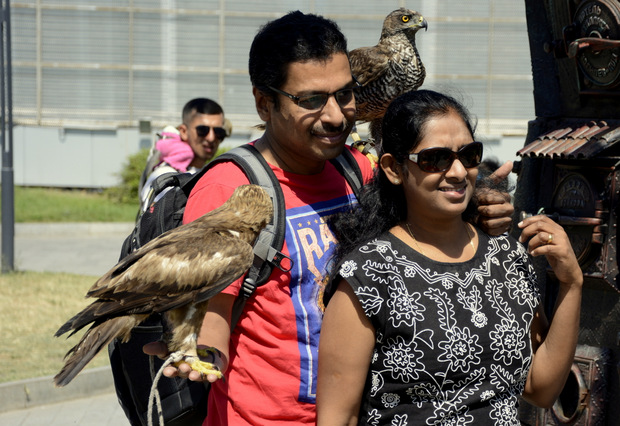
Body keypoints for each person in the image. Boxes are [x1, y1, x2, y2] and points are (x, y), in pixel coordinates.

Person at [144, 11, 516, 425]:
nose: (337, 116)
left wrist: (482, 206)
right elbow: (213, 314)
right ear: (264, 103)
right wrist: (201, 352)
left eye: (345, 94)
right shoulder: (230, 189)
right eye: (312, 100)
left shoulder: (360, 171)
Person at [316, 90, 582, 425]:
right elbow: (337, 417)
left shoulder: (507, 255)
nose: (457, 172)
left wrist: (572, 283)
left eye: (469, 155)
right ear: (393, 168)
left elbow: (540, 389)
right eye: (436, 159)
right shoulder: (368, 275)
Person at [138, 97, 229, 213]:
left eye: (218, 132)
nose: (211, 138)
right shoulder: (165, 176)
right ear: (184, 131)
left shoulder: (210, 173)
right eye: (203, 130)